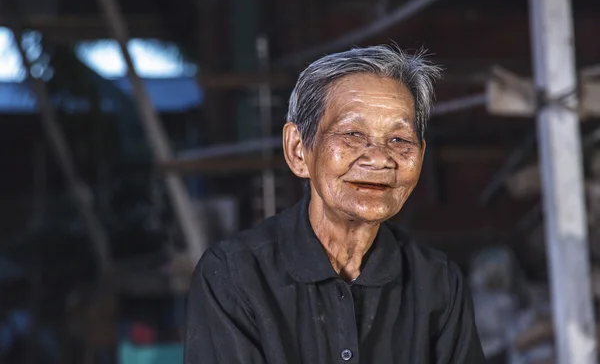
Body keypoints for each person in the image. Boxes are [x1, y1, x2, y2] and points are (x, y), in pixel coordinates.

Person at [184, 45, 486, 363]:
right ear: (299, 150)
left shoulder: (438, 282)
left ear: (421, 156)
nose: (380, 159)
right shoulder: (233, 275)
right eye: (353, 134)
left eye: (400, 140)